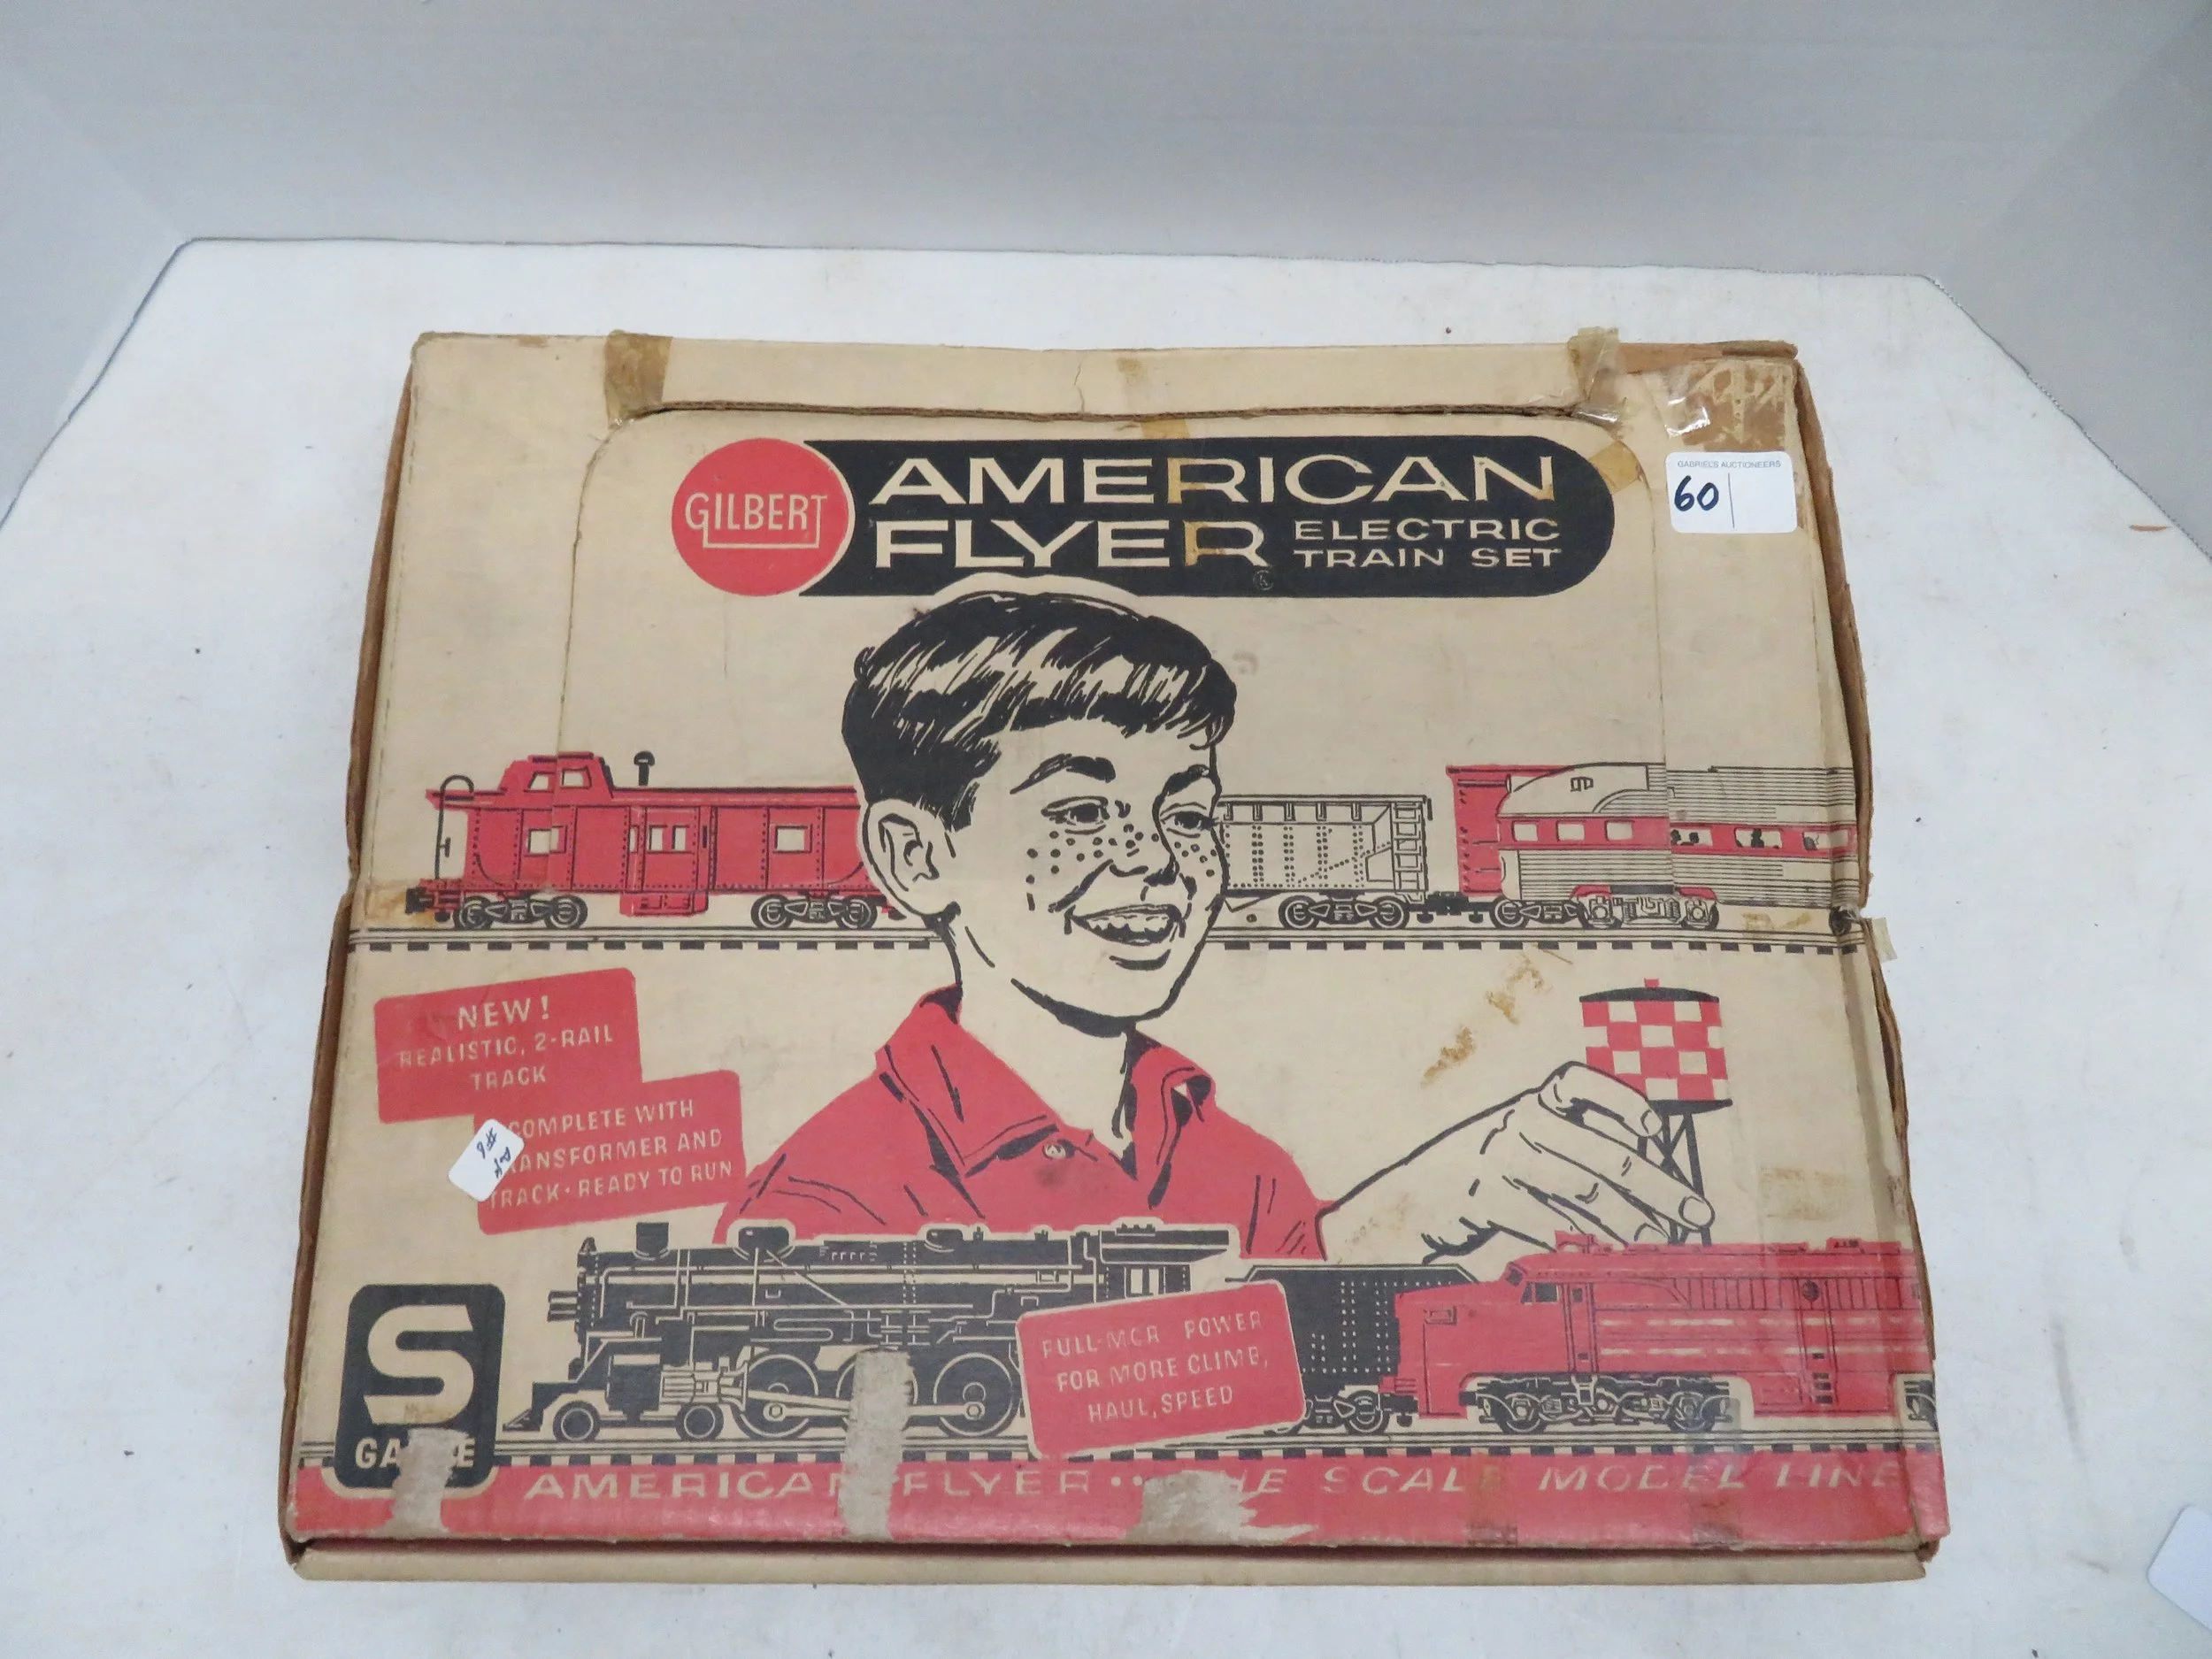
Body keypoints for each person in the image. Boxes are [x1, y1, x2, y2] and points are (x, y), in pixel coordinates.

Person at [721, 588, 1713, 1268]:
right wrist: (1363, 1240)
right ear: (916, 857)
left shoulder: (1240, 1165)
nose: (1156, 859)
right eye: (1080, 811)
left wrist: (1408, 1223)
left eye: (1188, 815)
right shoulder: (824, 1201)